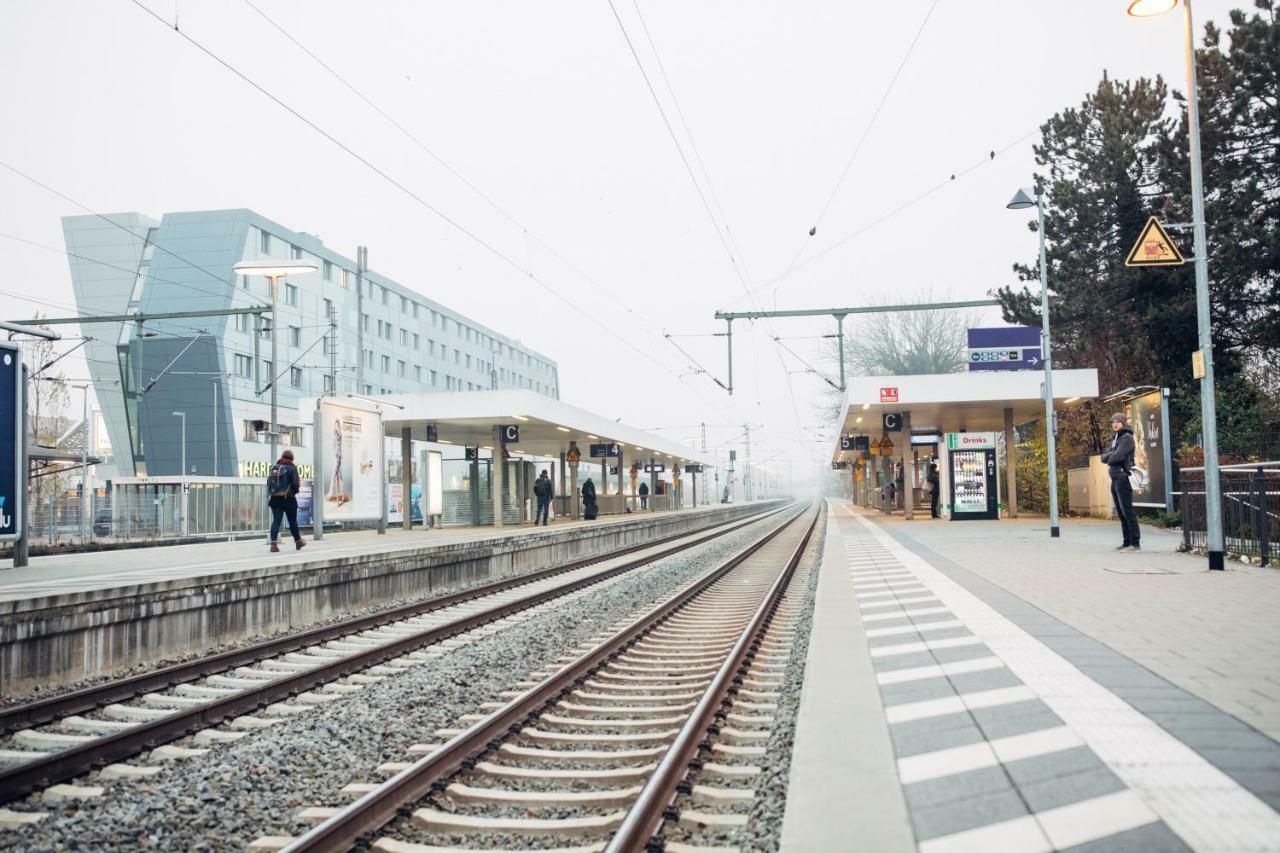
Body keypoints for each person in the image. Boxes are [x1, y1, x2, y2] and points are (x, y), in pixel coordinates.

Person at [1101, 412, 1140, 552]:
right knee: (1121, 512)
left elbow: (1116, 456)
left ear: (1123, 422)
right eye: (1113, 422)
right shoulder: (1116, 438)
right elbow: (1103, 457)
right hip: (1115, 478)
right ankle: (1126, 542)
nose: (1115, 424)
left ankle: (1135, 544)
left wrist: (1110, 457)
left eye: (1118, 421)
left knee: (1127, 511)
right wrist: (1110, 456)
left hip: (1123, 477)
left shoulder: (1127, 438)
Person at [267, 449, 306, 553]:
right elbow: (295, 484)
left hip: (275, 499)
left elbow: (268, 483)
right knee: (292, 521)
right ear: (291, 458)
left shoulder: (274, 468)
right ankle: (298, 542)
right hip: (288, 499)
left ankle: (273, 544)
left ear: (282, 457)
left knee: (276, 521)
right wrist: (294, 492)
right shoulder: (292, 468)